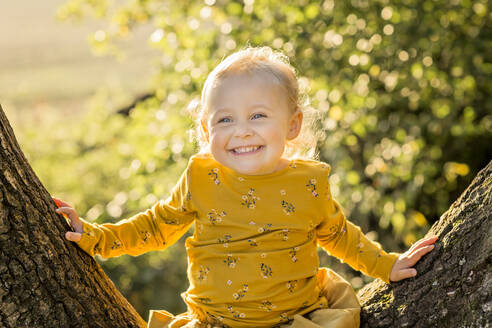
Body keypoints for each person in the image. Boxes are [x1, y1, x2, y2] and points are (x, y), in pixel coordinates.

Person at [53, 46, 437, 328]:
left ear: (292, 125)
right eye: (225, 120)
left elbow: (339, 236)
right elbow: (155, 226)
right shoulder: (202, 176)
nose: (242, 131)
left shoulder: (307, 182)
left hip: (295, 320)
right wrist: (95, 236)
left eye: (257, 115)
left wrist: (387, 264)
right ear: (206, 130)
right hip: (216, 322)